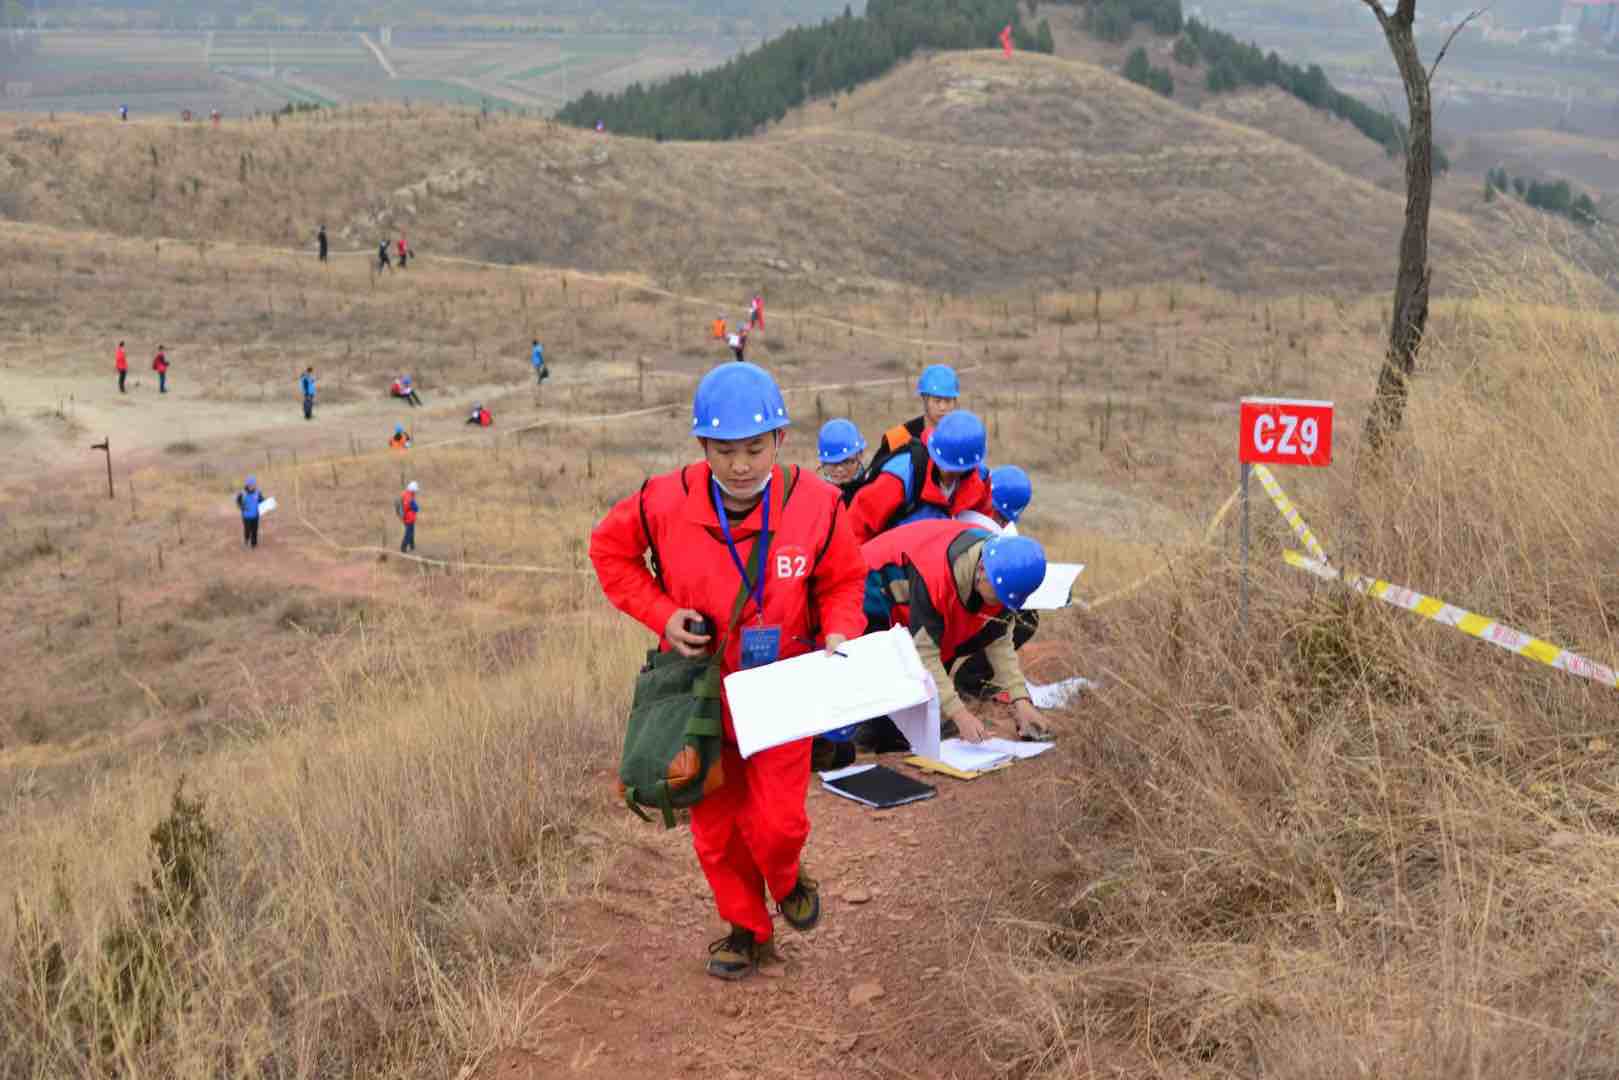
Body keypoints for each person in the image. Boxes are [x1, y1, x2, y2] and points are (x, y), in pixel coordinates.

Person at [590, 362, 868, 982]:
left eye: (754, 447)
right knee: (714, 830)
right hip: (701, 698)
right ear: (702, 447)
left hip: (783, 690)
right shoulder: (662, 500)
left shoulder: (818, 504)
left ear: (780, 441)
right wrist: (662, 615)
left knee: (778, 824)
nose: (740, 465)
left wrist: (841, 626)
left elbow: (846, 579)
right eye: (724, 450)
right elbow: (608, 552)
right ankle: (747, 929)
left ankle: (788, 877)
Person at [861, 520, 1052, 746]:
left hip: (914, 593)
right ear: (981, 569)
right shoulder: (935, 578)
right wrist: (958, 713)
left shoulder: (998, 568)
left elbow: (999, 639)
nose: (1000, 603)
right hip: (868, 587)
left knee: (947, 646)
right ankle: (873, 733)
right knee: (892, 668)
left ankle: (912, 722)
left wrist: (1021, 700)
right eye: (998, 595)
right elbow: (924, 653)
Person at [847, 409, 993, 544]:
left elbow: (983, 528)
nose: (952, 476)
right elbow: (856, 527)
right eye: (947, 468)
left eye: (960, 470)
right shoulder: (901, 477)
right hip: (895, 562)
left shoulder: (980, 479)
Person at [958, 464, 1031, 536]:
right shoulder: (960, 498)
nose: (1002, 524)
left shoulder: (1007, 536)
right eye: (1001, 517)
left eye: (1006, 520)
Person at [816, 418, 867, 506]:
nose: (840, 469)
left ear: (860, 456)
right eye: (833, 463)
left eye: (847, 462)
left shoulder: (871, 491)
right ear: (822, 463)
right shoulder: (818, 497)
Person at [236, 476, 269, 550]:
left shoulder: (258, 492)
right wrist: (242, 507)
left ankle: (254, 544)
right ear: (247, 484)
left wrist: (267, 502)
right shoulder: (242, 493)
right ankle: (246, 541)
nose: (252, 486)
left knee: (254, 530)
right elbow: (238, 502)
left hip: (255, 515)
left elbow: (261, 500)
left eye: (253, 484)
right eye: (250, 484)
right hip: (246, 516)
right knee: (247, 530)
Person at [399, 481, 420, 553]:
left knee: (411, 532)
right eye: (415, 490)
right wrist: (415, 507)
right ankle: (403, 547)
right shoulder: (409, 497)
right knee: (409, 533)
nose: (416, 492)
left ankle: (412, 546)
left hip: (406, 517)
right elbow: (416, 508)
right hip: (409, 518)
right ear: (413, 490)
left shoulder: (405, 494)